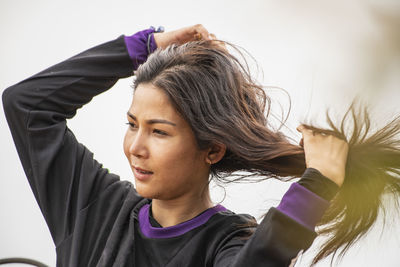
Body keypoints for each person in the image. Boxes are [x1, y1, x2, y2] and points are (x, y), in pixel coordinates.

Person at [2, 24, 398, 266]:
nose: (135, 147)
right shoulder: (94, 208)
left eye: (159, 132)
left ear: (213, 148)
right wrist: (142, 47)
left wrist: (317, 187)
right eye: (131, 124)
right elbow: (27, 105)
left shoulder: (230, 242)